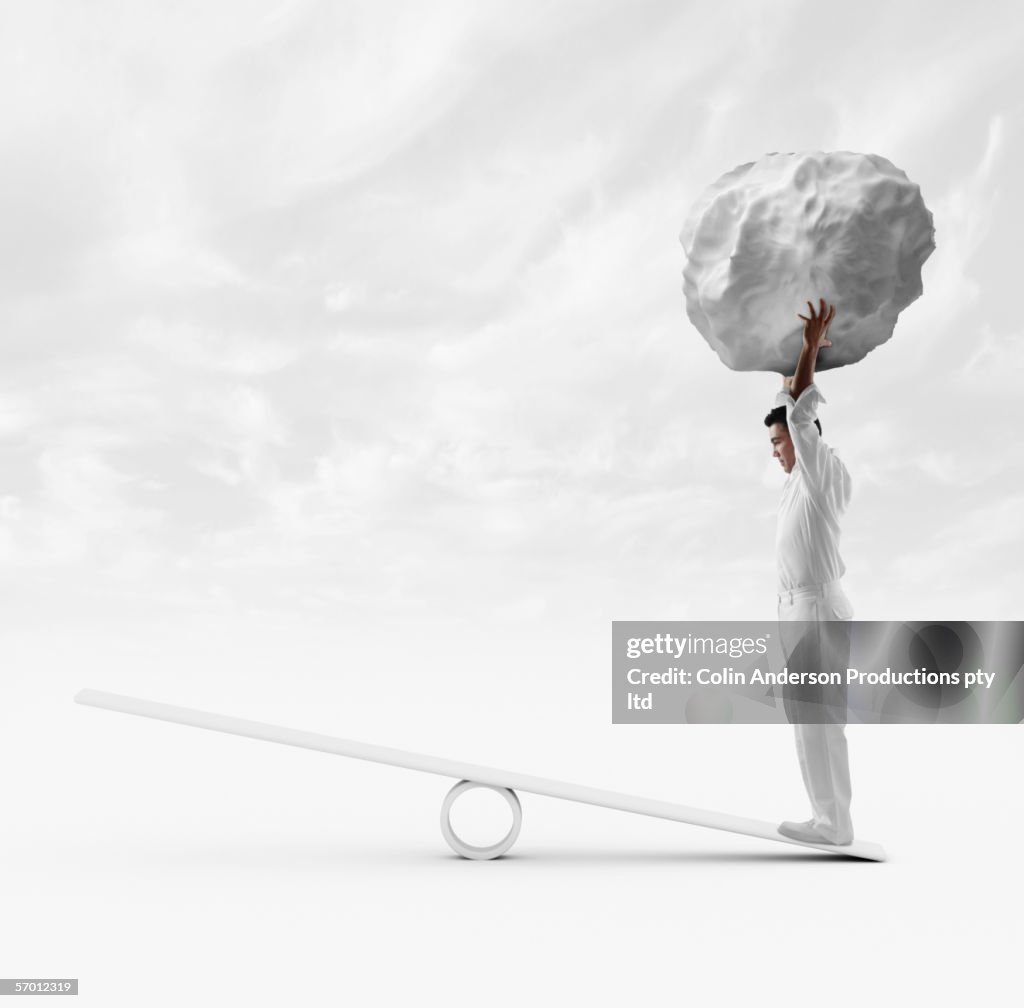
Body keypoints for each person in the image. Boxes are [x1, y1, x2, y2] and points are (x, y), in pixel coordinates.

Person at [764, 298, 855, 846]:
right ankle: (823, 818)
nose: (776, 453)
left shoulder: (823, 472)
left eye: (779, 445)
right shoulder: (797, 484)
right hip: (797, 612)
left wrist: (807, 354)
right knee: (805, 721)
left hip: (819, 609)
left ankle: (836, 823)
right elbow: (786, 406)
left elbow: (799, 414)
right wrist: (787, 362)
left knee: (822, 723)